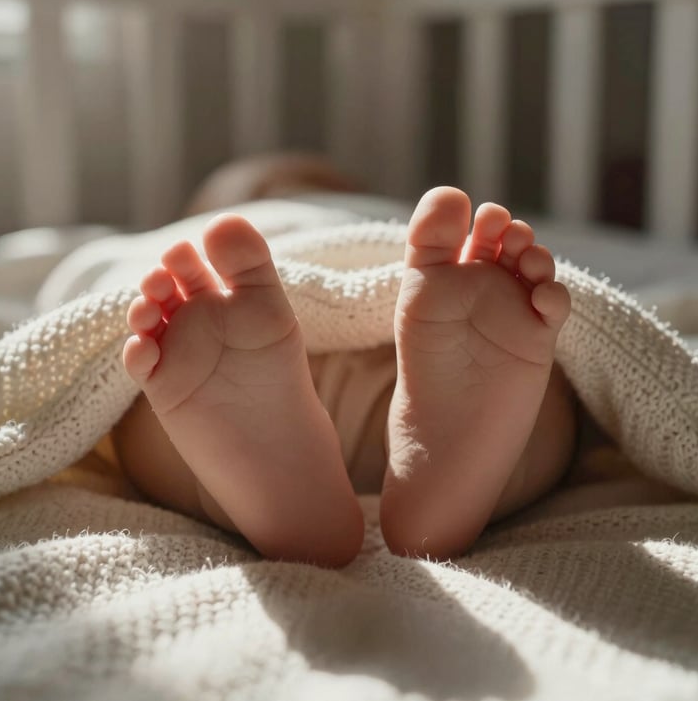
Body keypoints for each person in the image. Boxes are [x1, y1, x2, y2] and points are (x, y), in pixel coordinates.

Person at [111, 155, 578, 567]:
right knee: (540, 403)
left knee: (147, 402)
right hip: (397, 363)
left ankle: (246, 495)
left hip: (240, 367)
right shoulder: (385, 231)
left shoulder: (167, 257)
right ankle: (477, 479)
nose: (285, 203)